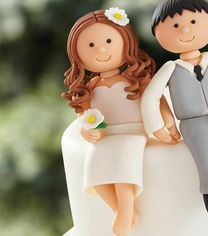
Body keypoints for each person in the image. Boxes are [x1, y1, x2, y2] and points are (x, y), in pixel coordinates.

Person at [63, 8, 180, 236]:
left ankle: (125, 211)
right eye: (90, 46)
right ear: (76, 54)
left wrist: (167, 120)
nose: (102, 49)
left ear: (126, 42)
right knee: (94, 169)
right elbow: (83, 118)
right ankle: (122, 211)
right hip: (107, 136)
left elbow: (159, 100)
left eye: (108, 40)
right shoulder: (91, 88)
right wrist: (88, 132)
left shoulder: (136, 79)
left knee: (124, 162)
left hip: (135, 133)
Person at [141, 0, 208, 223]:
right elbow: (151, 97)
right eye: (175, 26)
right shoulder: (170, 69)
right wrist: (156, 127)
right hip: (193, 121)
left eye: (193, 21)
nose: (185, 29)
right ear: (158, 33)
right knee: (206, 150)